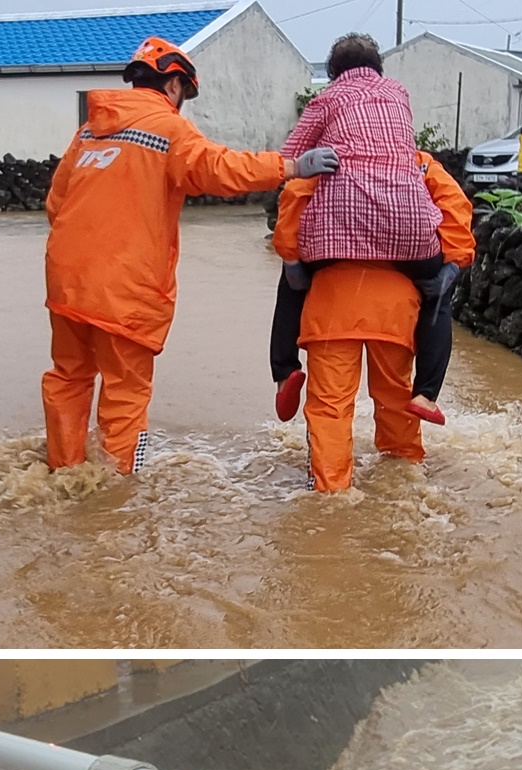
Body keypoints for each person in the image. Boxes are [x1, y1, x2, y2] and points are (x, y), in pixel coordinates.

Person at [41, 36, 334, 475]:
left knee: (68, 378)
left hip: (66, 284)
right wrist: (290, 166)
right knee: (125, 392)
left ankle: (64, 472)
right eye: (184, 94)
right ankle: (115, 490)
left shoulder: (88, 131)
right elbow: (219, 169)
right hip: (126, 289)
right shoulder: (168, 129)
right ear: (173, 84)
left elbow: (55, 204)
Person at [271, 35, 448, 425]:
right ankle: (427, 392)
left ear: (333, 72)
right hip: (410, 232)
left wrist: (295, 262)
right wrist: (451, 269)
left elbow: (288, 162)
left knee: (290, 282)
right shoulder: (399, 97)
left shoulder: (327, 99)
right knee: (439, 294)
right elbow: (455, 212)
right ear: (378, 68)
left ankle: (284, 370)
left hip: (338, 237)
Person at [271, 165, 429, 490]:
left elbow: (294, 198)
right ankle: (403, 475)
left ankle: (330, 492)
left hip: (333, 302)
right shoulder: (414, 161)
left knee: (330, 406)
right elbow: (454, 209)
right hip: (395, 305)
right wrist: (455, 260)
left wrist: (290, 255)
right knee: (396, 396)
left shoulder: (326, 163)